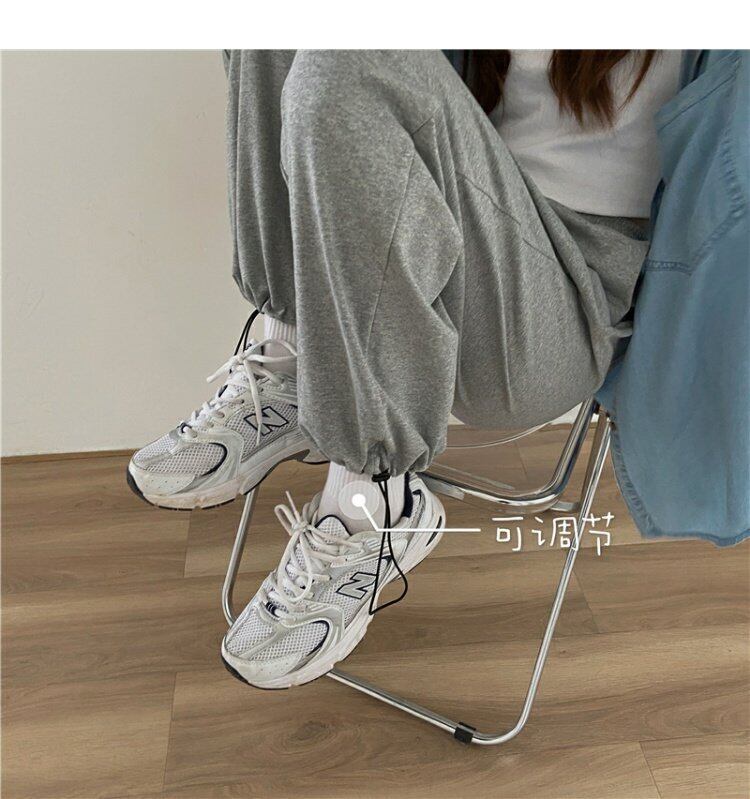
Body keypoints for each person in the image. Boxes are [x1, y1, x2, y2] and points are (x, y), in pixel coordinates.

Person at [127, 50, 681, 689]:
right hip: (470, 212)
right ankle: (293, 356)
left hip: (561, 306)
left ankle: (374, 499)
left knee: (350, 58)